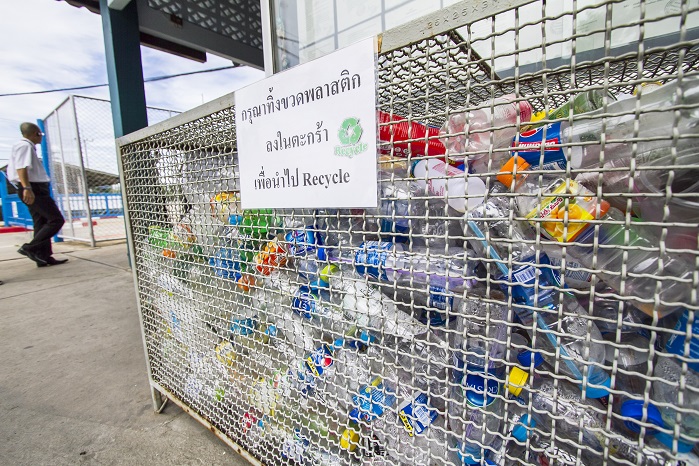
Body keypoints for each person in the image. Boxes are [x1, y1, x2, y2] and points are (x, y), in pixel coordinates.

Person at [8, 122, 67, 267]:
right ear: (36, 134)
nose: (41, 137)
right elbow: (21, 168)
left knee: (41, 223)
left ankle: (44, 256)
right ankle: (30, 248)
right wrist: (27, 188)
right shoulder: (25, 146)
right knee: (56, 220)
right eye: (40, 134)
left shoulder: (25, 146)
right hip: (33, 189)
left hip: (32, 188)